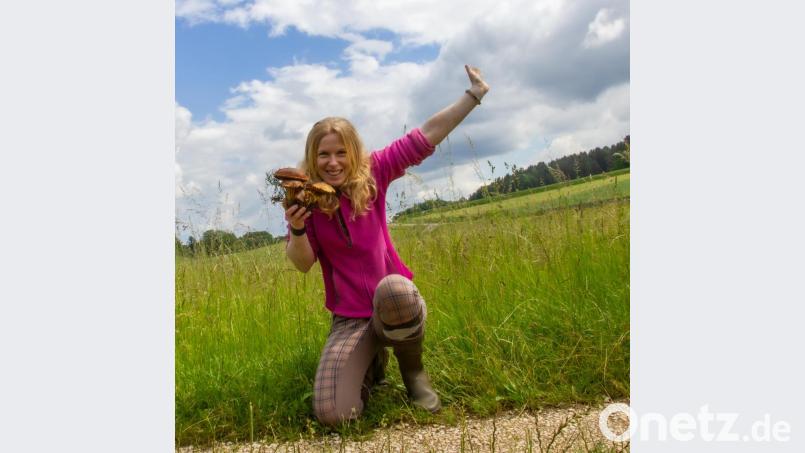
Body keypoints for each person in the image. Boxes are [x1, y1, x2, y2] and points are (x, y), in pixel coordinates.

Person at [285, 64, 490, 426]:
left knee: (394, 289)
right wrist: (298, 230)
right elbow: (302, 264)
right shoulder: (304, 200)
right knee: (333, 414)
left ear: (353, 153)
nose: (333, 163)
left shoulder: (375, 172)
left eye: (340, 153)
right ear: (313, 159)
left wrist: (472, 96)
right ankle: (371, 368)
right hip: (349, 318)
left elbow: (426, 135)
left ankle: (413, 373)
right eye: (323, 155)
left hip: (392, 304)